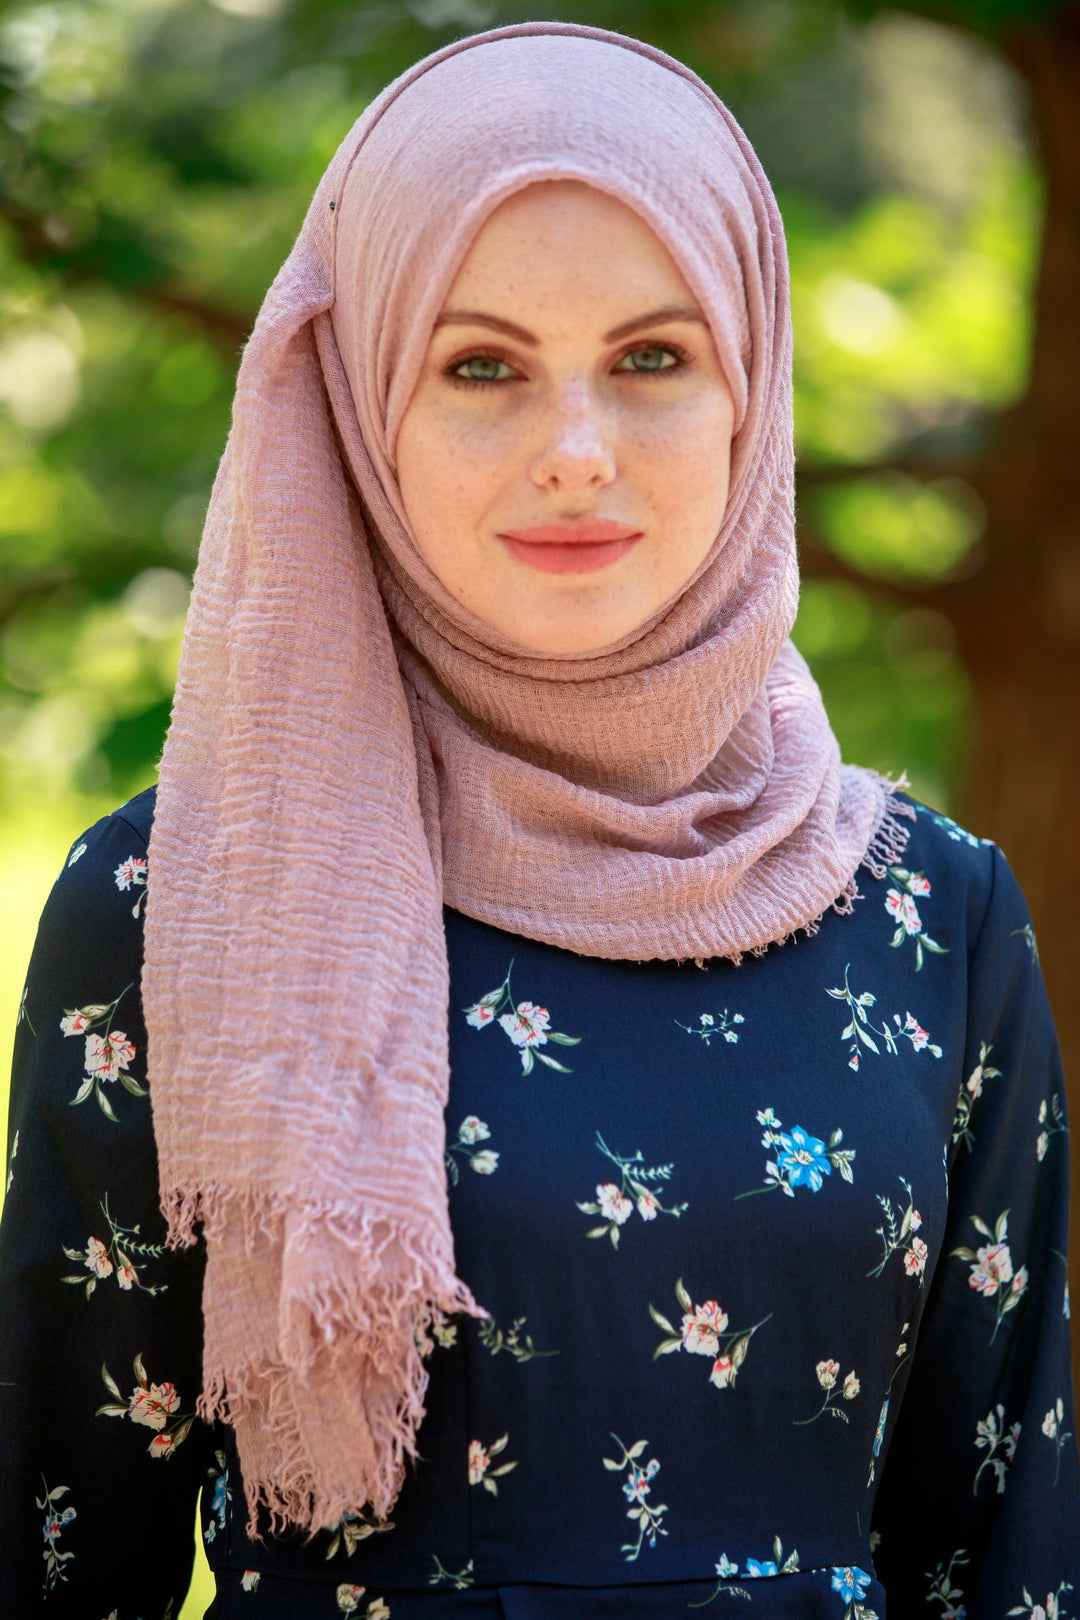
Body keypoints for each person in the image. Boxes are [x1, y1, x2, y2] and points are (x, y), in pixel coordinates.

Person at [0, 20, 1076, 1619]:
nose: (576, 455)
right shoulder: (171, 903)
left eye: (652, 358)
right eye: (481, 365)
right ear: (363, 411)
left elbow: (1009, 1549)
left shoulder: (934, 918)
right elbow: (61, 1561)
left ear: (747, 390)